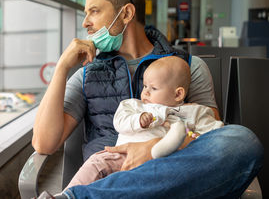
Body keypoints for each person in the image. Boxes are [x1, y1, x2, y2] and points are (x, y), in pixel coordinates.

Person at [32, 0, 263, 199]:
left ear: (126, 13)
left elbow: (210, 137)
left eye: (94, 11)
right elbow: (44, 143)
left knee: (242, 140)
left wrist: (153, 148)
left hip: (172, 179)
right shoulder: (86, 76)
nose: (85, 23)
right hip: (108, 178)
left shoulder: (187, 67)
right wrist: (62, 67)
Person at [65, 56, 224, 189]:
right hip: (122, 156)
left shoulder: (194, 112)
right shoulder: (134, 106)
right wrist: (138, 120)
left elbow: (217, 134)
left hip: (167, 164)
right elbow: (119, 122)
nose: (145, 92)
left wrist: (195, 137)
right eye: (145, 86)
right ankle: (67, 195)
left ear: (178, 94)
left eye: (153, 88)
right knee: (96, 163)